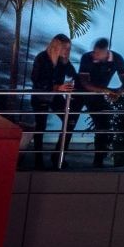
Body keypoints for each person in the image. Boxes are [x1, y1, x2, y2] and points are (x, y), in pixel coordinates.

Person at [75, 37, 124, 167]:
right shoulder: (87, 57)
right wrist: (107, 91)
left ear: (106, 52)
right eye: (94, 51)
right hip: (79, 92)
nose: (94, 55)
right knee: (69, 123)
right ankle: (58, 157)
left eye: (98, 53)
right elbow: (85, 83)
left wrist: (118, 91)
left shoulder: (116, 59)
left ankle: (98, 160)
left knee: (103, 124)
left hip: (97, 95)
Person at [29, 34, 76, 169]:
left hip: (55, 97)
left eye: (69, 49)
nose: (67, 51)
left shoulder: (63, 61)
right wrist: (57, 87)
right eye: (65, 48)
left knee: (70, 120)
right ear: (56, 47)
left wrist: (67, 63)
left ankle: (57, 156)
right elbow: (36, 80)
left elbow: (73, 75)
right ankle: (38, 160)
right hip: (41, 96)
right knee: (41, 126)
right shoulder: (42, 58)